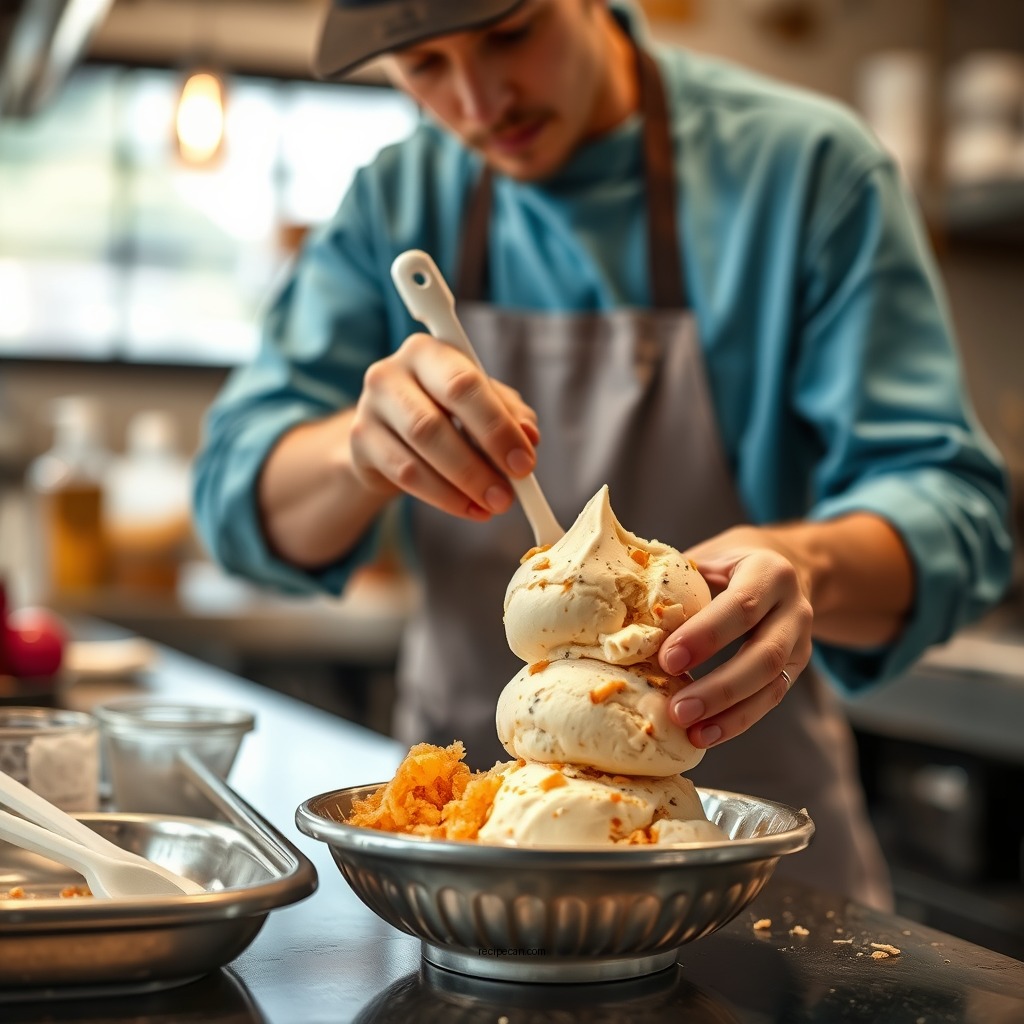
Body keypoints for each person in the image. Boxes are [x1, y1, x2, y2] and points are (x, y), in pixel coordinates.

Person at [193, 0, 1013, 909]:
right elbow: (236, 497)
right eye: (423, 66)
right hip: (464, 863)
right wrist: (356, 454)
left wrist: (804, 567)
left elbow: (960, 517)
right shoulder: (399, 199)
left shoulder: (806, 174)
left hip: (750, 881)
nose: (477, 100)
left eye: (511, 36)